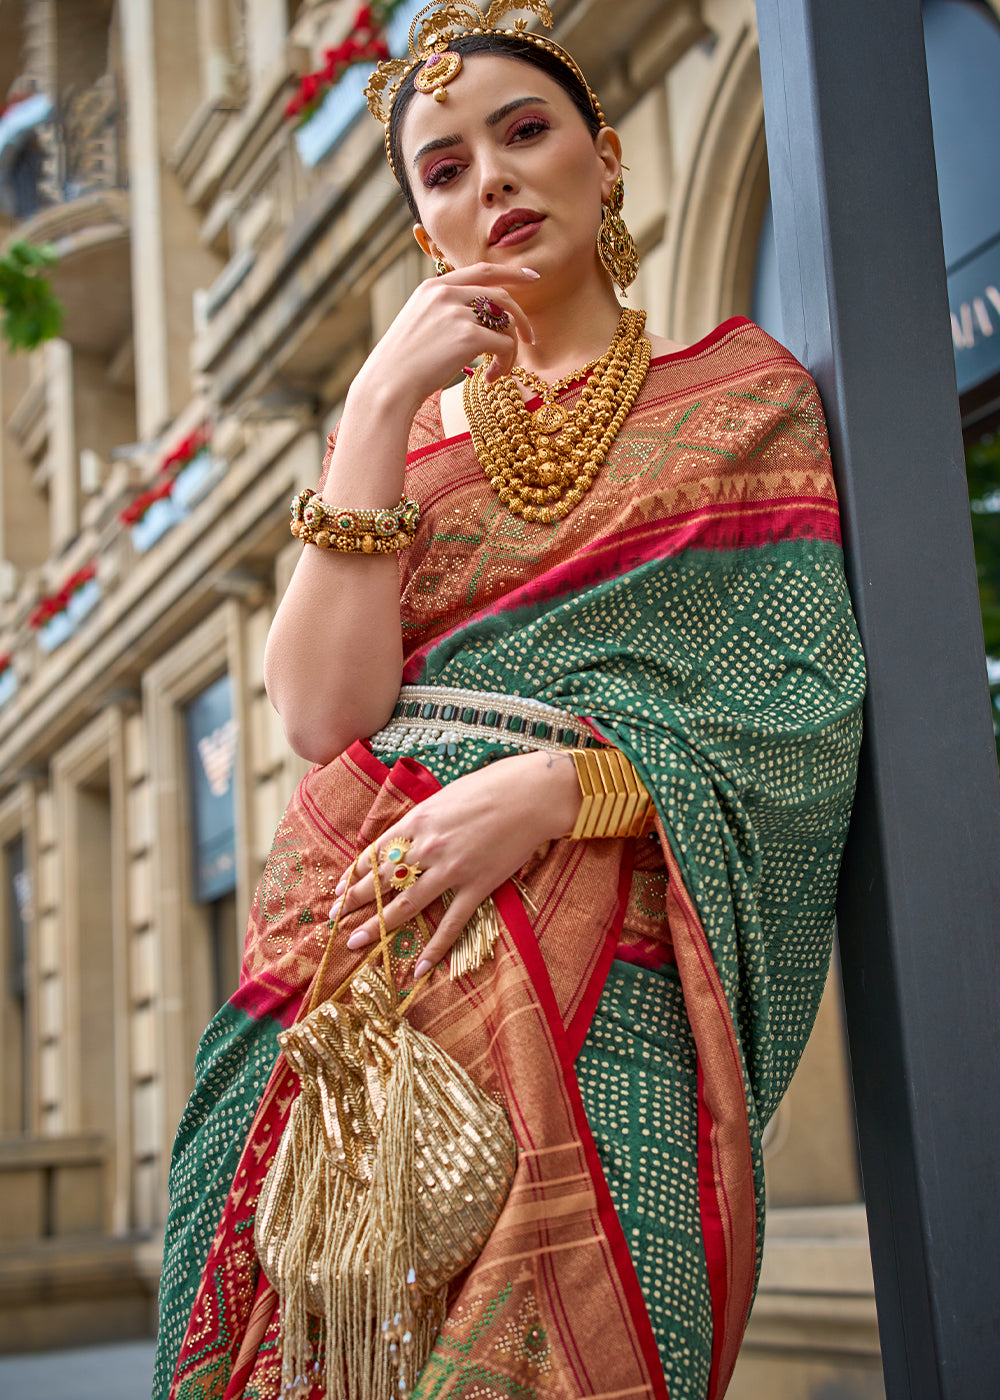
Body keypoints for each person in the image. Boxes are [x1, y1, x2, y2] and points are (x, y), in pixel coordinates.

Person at [153, 5, 865, 1399]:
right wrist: (369, 409)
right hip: (364, 967)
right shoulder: (410, 436)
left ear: (604, 162)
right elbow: (316, 713)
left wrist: (558, 792)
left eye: (524, 134)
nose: (491, 178)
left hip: (619, 967)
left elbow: (796, 709)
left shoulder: (741, 397)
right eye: (445, 168)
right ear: (430, 230)